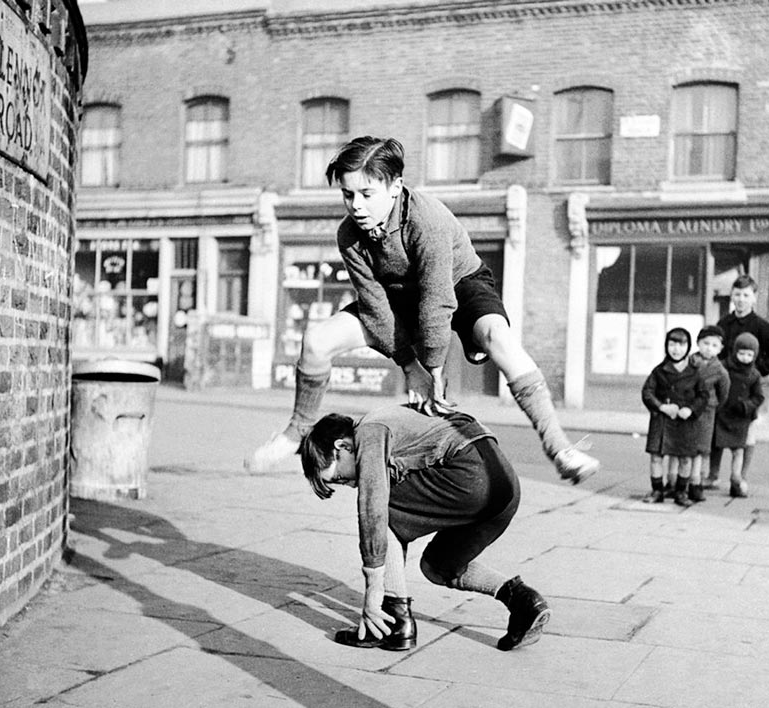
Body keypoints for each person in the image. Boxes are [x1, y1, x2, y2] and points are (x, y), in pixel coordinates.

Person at [247, 136, 599, 483]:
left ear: (396, 186)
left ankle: (559, 447)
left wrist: (433, 369)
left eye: (367, 195)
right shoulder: (349, 234)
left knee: (498, 338)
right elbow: (374, 304)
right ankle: (296, 432)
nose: (356, 205)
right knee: (316, 340)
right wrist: (408, 365)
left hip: (460, 284)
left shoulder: (426, 220)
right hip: (395, 297)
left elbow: (438, 300)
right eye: (348, 194)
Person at [299, 404, 551, 652]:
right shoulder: (396, 417)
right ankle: (523, 601)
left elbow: (372, 507)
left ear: (342, 446)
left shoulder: (369, 430)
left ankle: (395, 624)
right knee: (438, 567)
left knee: (380, 506)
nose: (349, 484)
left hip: (471, 477)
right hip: (505, 489)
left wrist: (373, 591)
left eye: (340, 477)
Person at [708, 274, 769, 488]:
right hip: (724, 389)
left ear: (754, 298)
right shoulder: (723, 323)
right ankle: (712, 476)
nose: (741, 299)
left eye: (746, 295)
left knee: (747, 435)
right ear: (732, 296)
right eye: (737, 294)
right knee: (716, 432)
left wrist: (753, 373)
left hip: (749, 393)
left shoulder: (764, 328)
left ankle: (740, 477)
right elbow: (715, 350)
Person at [641, 327, 708, 507]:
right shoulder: (659, 371)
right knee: (656, 456)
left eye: (681, 344)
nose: (676, 349)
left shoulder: (695, 373)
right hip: (662, 420)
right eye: (672, 344)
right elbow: (647, 392)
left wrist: (690, 410)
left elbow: (703, 396)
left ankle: (681, 492)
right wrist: (661, 406)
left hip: (684, 422)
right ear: (666, 346)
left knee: (685, 458)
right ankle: (657, 491)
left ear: (687, 347)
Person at [713, 332, 765, 498]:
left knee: (739, 450)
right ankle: (710, 474)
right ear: (734, 351)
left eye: (749, 355)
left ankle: (736, 479)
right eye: (741, 353)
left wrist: (746, 406)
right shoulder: (723, 368)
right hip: (723, 413)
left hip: (742, 417)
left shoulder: (754, 374)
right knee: (715, 445)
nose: (744, 358)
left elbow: (758, 396)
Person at [688, 325, 730, 501]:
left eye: (714, 345)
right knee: (684, 446)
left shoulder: (720, 371)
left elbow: (724, 392)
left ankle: (696, 481)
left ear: (720, 349)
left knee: (700, 449)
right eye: (705, 343)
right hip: (688, 409)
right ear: (698, 343)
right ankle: (679, 480)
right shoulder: (688, 363)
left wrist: (713, 404)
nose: (709, 348)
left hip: (706, 411)